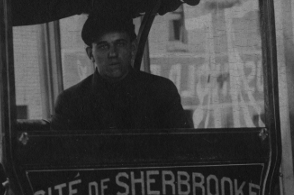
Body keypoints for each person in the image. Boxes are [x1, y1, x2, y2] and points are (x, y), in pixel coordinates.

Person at [52, 10, 190, 131]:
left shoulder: (162, 92)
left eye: (120, 44)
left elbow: (184, 149)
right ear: (90, 54)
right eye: (103, 46)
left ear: (133, 47)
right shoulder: (70, 102)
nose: (113, 53)